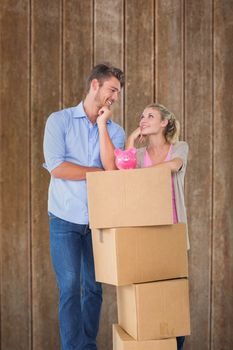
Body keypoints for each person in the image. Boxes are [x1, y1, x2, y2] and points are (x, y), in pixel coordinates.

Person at [43, 63, 125, 350]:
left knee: (93, 288)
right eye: (111, 89)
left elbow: (111, 168)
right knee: (69, 288)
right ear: (94, 85)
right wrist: (99, 174)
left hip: (98, 221)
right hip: (64, 218)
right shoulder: (59, 121)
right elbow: (57, 167)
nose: (114, 96)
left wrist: (102, 125)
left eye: (117, 92)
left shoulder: (115, 131)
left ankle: (86, 345)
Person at [126, 102, 189, 350]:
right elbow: (124, 172)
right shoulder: (139, 156)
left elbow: (174, 166)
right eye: (141, 116)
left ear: (164, 122)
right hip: (146, 235)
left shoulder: (179, 148)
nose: (143, 119)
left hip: (172, 233)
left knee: (174, 299)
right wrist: (131, 140)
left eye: (150, 116)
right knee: (149, 298)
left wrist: (141, 175)